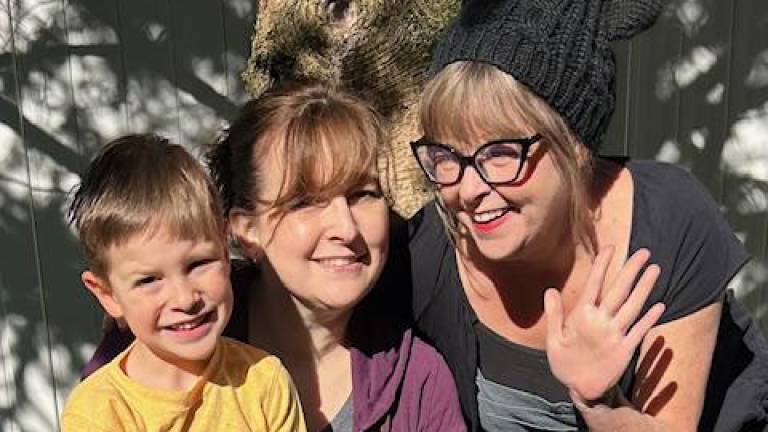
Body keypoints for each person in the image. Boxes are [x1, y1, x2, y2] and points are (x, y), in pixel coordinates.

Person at [406, 0, 761, 431]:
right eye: (446, 155)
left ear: (574, 148)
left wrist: (600, 402)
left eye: (501, 153)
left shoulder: (670, 221)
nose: (468, 189)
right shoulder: (426, 253)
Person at [83, 83, 467, 432]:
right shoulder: (151, 349)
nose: (346, 229)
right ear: (245, 229)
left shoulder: (417, 383)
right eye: (305, 202)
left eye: (362, 194)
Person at [62, 134, 306, 432]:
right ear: (108, 295)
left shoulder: (264, 381)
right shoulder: (98, 411)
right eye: (149, 280)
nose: (185, 299)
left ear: (225, 253)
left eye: (198, 264)